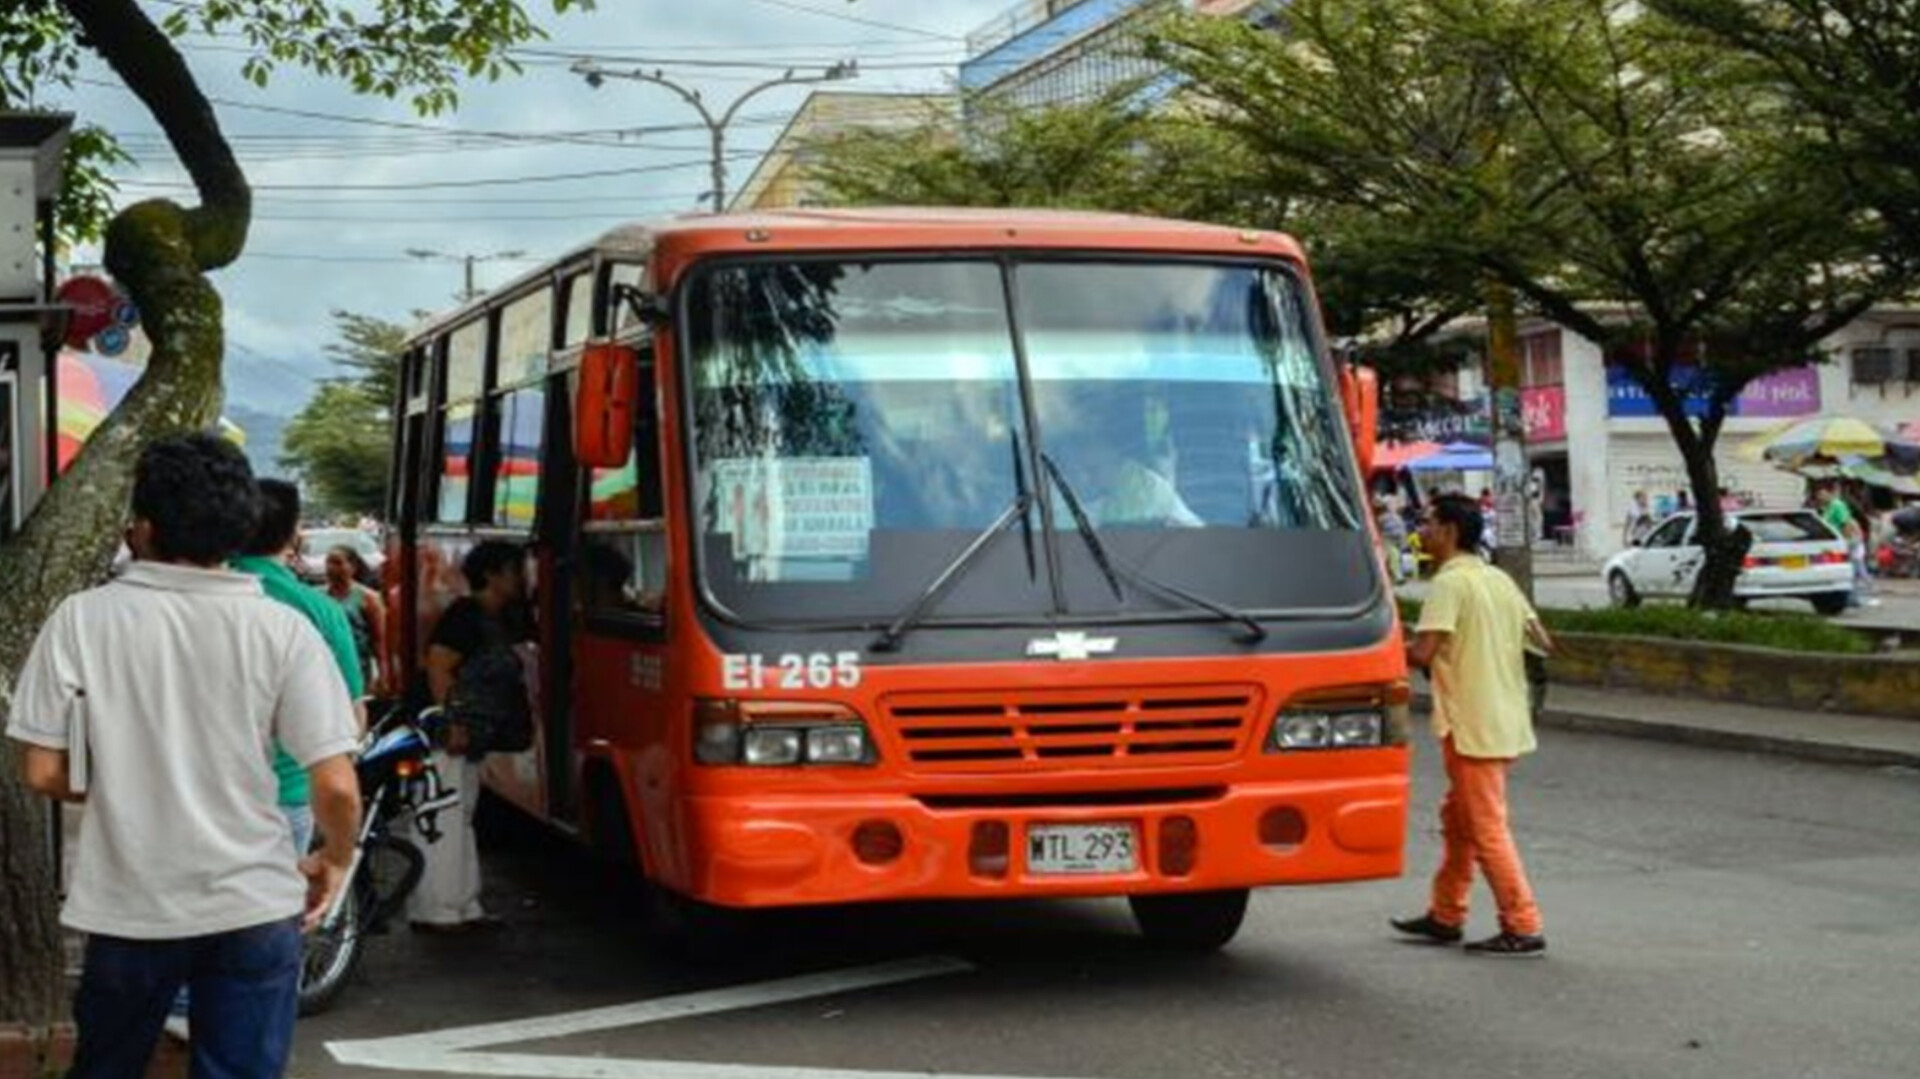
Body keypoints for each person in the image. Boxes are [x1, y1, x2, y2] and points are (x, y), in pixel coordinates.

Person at [7, 434, 361, 1078]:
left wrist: (126, 786)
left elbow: (42, 770)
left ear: (142, 526)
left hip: (128, 905)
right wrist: (334, 859)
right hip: (254, 903)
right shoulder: (283, 629)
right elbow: (335, 785)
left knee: (108, 1068)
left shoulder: (81, 619)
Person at [161, 479, 369, 1041]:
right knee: (261, 925)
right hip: (286, 791)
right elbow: (350, 721)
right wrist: (338, 849)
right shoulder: (317, 610)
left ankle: (185, 1013)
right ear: (294, 533)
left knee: (190, 909)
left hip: (190, 786)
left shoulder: (188, 600)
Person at [1393, 493, 1553, 958]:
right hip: (1505, 717)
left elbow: (1423, 653)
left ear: (1449, 531)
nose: (1421, 531)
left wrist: (1381, 645)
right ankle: (1446, 914)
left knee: (1485, 828)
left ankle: (1523, 924)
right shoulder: (1498, 579)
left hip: (1471, 722)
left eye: (1427, 522)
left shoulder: (1449, 584)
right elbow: (1543, 641)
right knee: (1459, 821)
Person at [411, 540, 533, 933]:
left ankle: (462, 903)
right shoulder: (465, 616)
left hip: (473, 736)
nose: (522, 578)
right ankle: (438, 908)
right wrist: (452, 721)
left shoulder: (497, 616)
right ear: (493, 574)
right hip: (449, 735)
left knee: (460, 815)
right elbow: (438, 665)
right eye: (514, 570)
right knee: (443, 816)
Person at [324, 544, 388, 695]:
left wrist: (383, 675)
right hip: (327, 667)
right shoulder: (319, 597)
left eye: (337, 563)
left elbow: (379, 640)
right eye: (328, 562)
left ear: (352, 567)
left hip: (357, 667)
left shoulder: (368, 598)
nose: (331, 568)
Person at [1816, 484, 1868, 609]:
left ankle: (1857, 596)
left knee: (1854, 568)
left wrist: (1845, 542)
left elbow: (1846, 524)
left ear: (1830, 493)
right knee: (1853, 568)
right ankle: (1853, 597)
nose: (1819, 497)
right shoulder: (1827, 507)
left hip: (1846, 541)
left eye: (1822, 494)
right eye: (1818, 495)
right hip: (1838, 542)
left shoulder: (1837, 505)